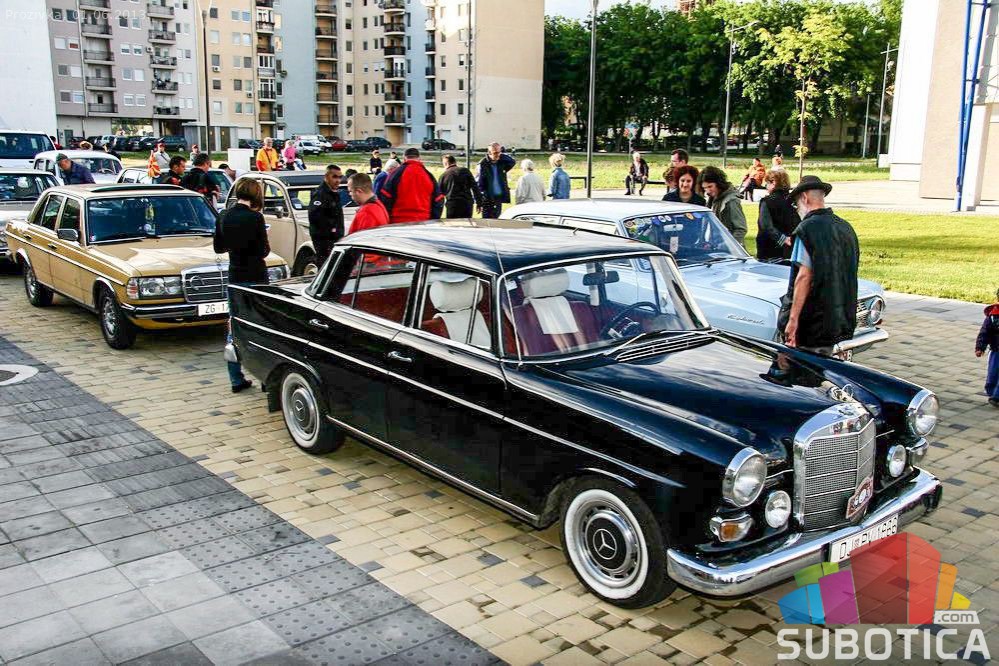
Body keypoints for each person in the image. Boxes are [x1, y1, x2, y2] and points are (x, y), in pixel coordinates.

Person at [781, 176, 860, 357]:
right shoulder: (845, 228)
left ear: (804, 197)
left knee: (804, 369)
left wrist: (792, 321)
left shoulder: (807, 228)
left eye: (795, 204)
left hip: (812, 323)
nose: (797, 209)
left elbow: (804, 277)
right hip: (836, 320)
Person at [213, 178, 269, 393]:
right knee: (260, 326)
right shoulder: (256, 218)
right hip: (256, 276)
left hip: (235, 274)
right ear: (255, 194)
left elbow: (218, 247)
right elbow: (264, 251)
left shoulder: (224, 215)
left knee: (234, 325)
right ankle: (265, 378)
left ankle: (235, 378)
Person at [378, 147, 444, 223]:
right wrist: (432, 219)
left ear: (404, 158)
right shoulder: (428, 175)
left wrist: (388, 218)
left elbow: (385, 197)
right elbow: (438, 199)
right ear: (419, 158)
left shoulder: (395, 174)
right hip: (423, 220)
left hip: (398, 220)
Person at [756, 168, 800, 262]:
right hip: (792, 248)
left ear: (773, 182)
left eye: (767, 183)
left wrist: (782, 239)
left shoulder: (767, 201)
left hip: (769, 249)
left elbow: (766, 226)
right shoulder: (793, 201)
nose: (766, 186)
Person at [308, 164, 345, 268]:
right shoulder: (321, 195)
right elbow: (315, 217)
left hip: (334, 240)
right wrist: (332, 230)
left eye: (340, 177)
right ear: (326, 177)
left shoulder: (333, 194)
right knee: (326, 267)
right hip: (325, 242)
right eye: (334, 177)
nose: (338, 180)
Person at [700, 166, 746, 244]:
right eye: (705, 188)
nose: (707, 191)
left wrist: (727, 245)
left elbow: (741, 229)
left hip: (727, 248)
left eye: (710, 186)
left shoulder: (731, 201)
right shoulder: (711, 200)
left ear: (718, 184)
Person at [476, 142, 516, 219]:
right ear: (489, 153)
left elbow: (512, 161)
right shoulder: (483, 164)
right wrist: (479, 201)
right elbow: (480, 184)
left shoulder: (501, 162)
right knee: (487, 220)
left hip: (498, 197)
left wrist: (501, 154)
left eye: (499, 152)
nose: (498, 155)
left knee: (497, 219)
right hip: (488, 198)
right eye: (495, 153)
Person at [975, 288, 999, 407]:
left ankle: (997, 397)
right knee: (992, 375)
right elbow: (985, 332)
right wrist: (980, 347)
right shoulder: (993, 316)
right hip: (996, 351)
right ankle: (992, 393)